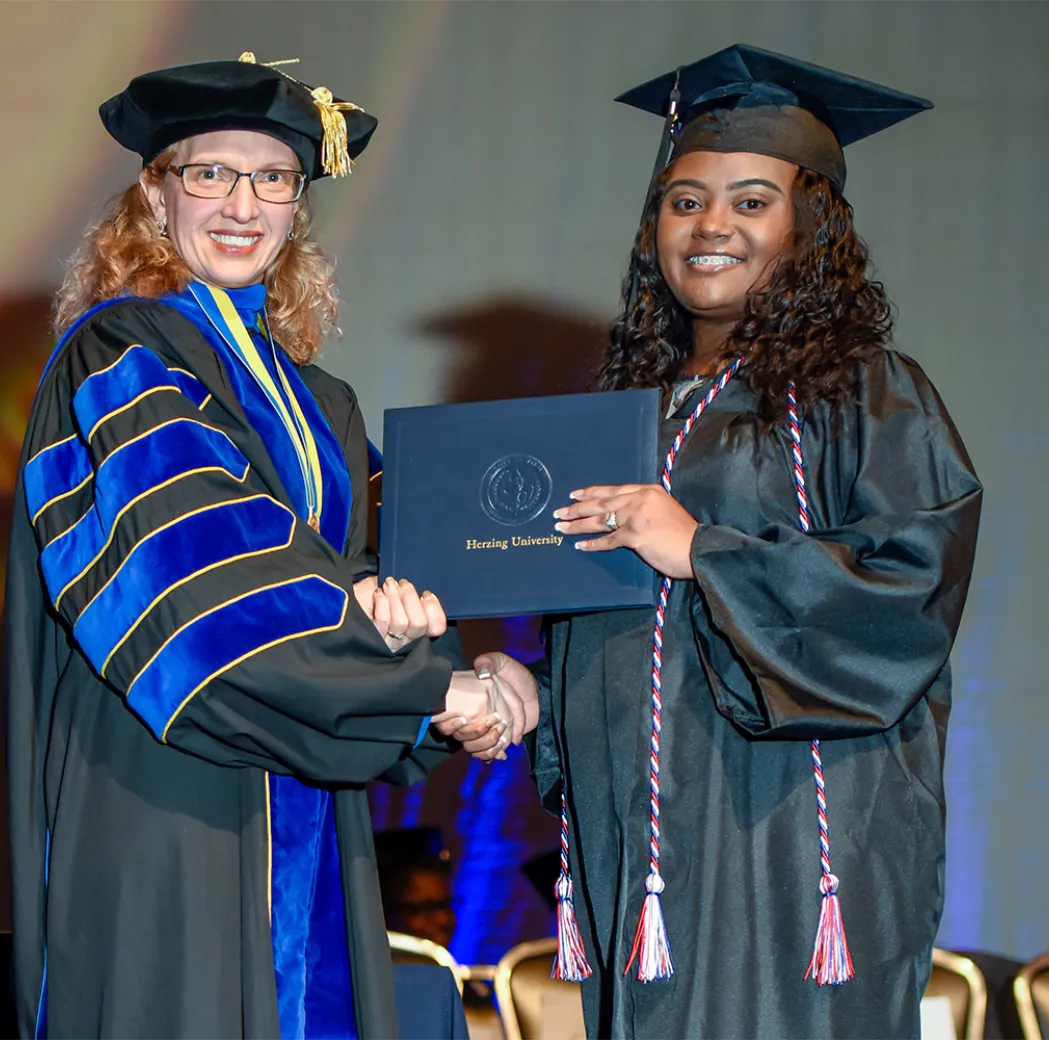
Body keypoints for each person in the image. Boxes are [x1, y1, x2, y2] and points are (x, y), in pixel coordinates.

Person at [5, 53, 521, 1038]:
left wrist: (469, 661)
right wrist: (429, 687)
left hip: (305, 797)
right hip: (166, 788)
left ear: (297, 205)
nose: (243, 204)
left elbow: (385, 567)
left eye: (274, 177)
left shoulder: (319, 401)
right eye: (210, 173)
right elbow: (200, 568)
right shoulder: (121, 351)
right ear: (155, 194)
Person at [472, 45, 983, 1038]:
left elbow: (909, 593)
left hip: (786, 822)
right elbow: (623, 636)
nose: (711, 225)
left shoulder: (866, 392)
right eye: (684, 201)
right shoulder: (626, 413)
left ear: (810, 226)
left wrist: (702, 548)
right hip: (642, 831)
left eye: (751, 201)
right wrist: (535, 691)